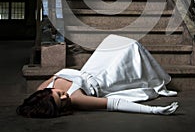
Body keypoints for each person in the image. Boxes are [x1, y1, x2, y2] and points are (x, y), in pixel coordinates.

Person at [17, 34, 179, 118]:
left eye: (60, 95)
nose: (66, 97)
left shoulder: (41, 89)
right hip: (108, 79)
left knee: (116, 41)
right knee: (133, 48)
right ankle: (157, 79)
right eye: (63, 104)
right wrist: (154, 111)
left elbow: (34, 104)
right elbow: (115, 104)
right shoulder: (76, 98)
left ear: (45, 93)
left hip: (93, 67)